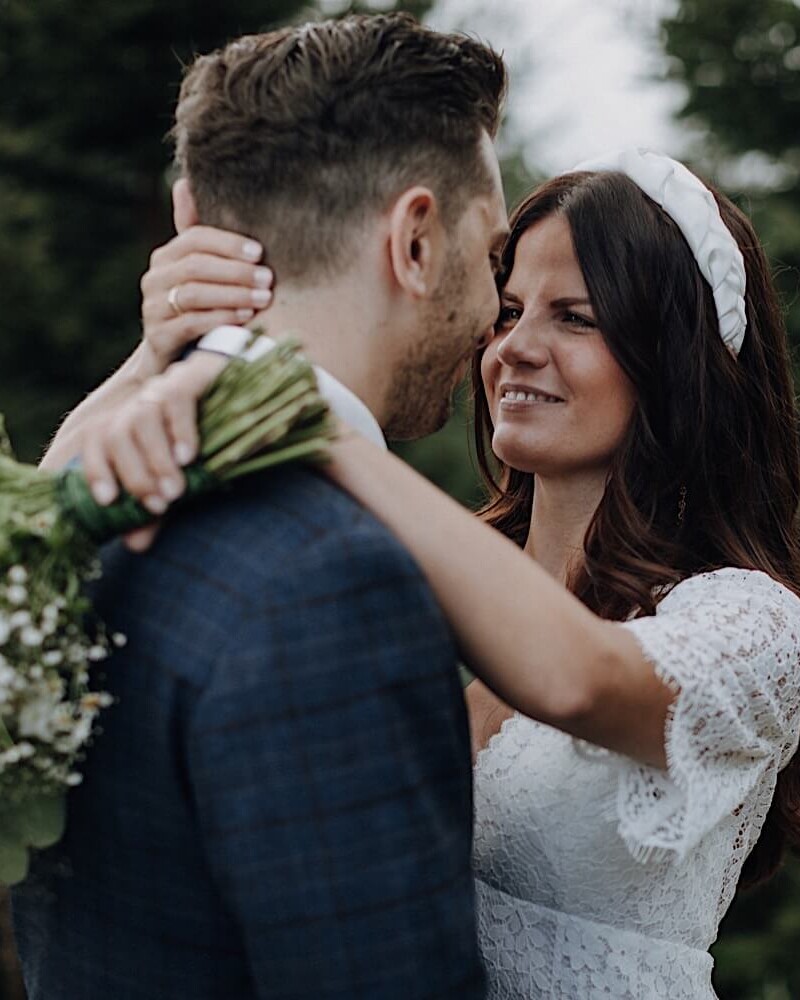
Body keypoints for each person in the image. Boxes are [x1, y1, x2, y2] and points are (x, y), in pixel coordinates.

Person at [64, 149, 800, 998]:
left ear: (676, 362)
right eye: (511, 309)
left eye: (576, 318)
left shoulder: (756, 624)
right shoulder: (419, 571)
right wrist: (154, 361)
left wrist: (301, 408)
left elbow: (577, 676)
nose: (515, 349)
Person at [11, 15, 511, 1000]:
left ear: (190, 212)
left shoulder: (71, 519)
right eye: (491, 257)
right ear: (414, 239)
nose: (497, 311)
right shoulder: (332, 576)